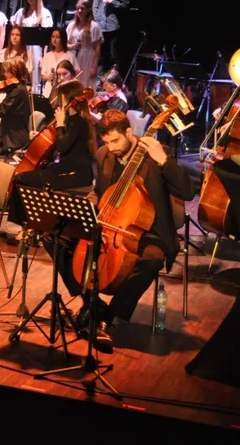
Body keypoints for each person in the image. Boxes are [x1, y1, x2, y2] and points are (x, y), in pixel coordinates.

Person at [58, 110, 196, 352]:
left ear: (129, 133)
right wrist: (86, 208)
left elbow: (187, 192)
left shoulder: (156, 154)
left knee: (152, 260)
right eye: (106, 142)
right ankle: (90, 304)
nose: (111, 147)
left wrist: (164, 161)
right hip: (110, 223)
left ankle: (108, 316)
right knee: (54, 236)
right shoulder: (104, 154)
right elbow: (100, 192)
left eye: (115, 141)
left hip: (149, 229)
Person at [6, 79, 96, 230]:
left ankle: (28, 224)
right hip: (64, 168)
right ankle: (31, 224)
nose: (59, 102)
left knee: (22, 179)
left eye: (61, 97)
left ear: (69, 98)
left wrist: (59, 125)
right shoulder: (69, 119)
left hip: (76, 174)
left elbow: (62, 147)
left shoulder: (78, 121)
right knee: (23, 177)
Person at [91, 0, 131, 76]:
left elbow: (126, 6)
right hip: (100, 26)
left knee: (114, 56)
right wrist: (96, 21)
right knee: (99, 54)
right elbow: (95, 6)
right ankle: (99, 79)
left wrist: (112, 2)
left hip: (113, 26)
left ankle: (112, 79)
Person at [67, 0, 102, 90]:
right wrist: (72, 46)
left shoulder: (94, 26)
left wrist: (94, 67)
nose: (79, 11)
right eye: (77, 8)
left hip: (87, 58)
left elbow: (97, 48)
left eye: (82, 8)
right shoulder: (71, 25)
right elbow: (65, 44)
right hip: (73, 57)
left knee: (86, 84)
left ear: (88, 10)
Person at [39, 28, 78, 100]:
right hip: (49, 89)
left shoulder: (70, 56)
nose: (54, 39)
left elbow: (75, 74)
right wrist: (47, 77)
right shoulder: (47, 55)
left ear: (62, 39)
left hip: (64, 89)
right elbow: (42, 75)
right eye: (53, 37)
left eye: (57, 37)